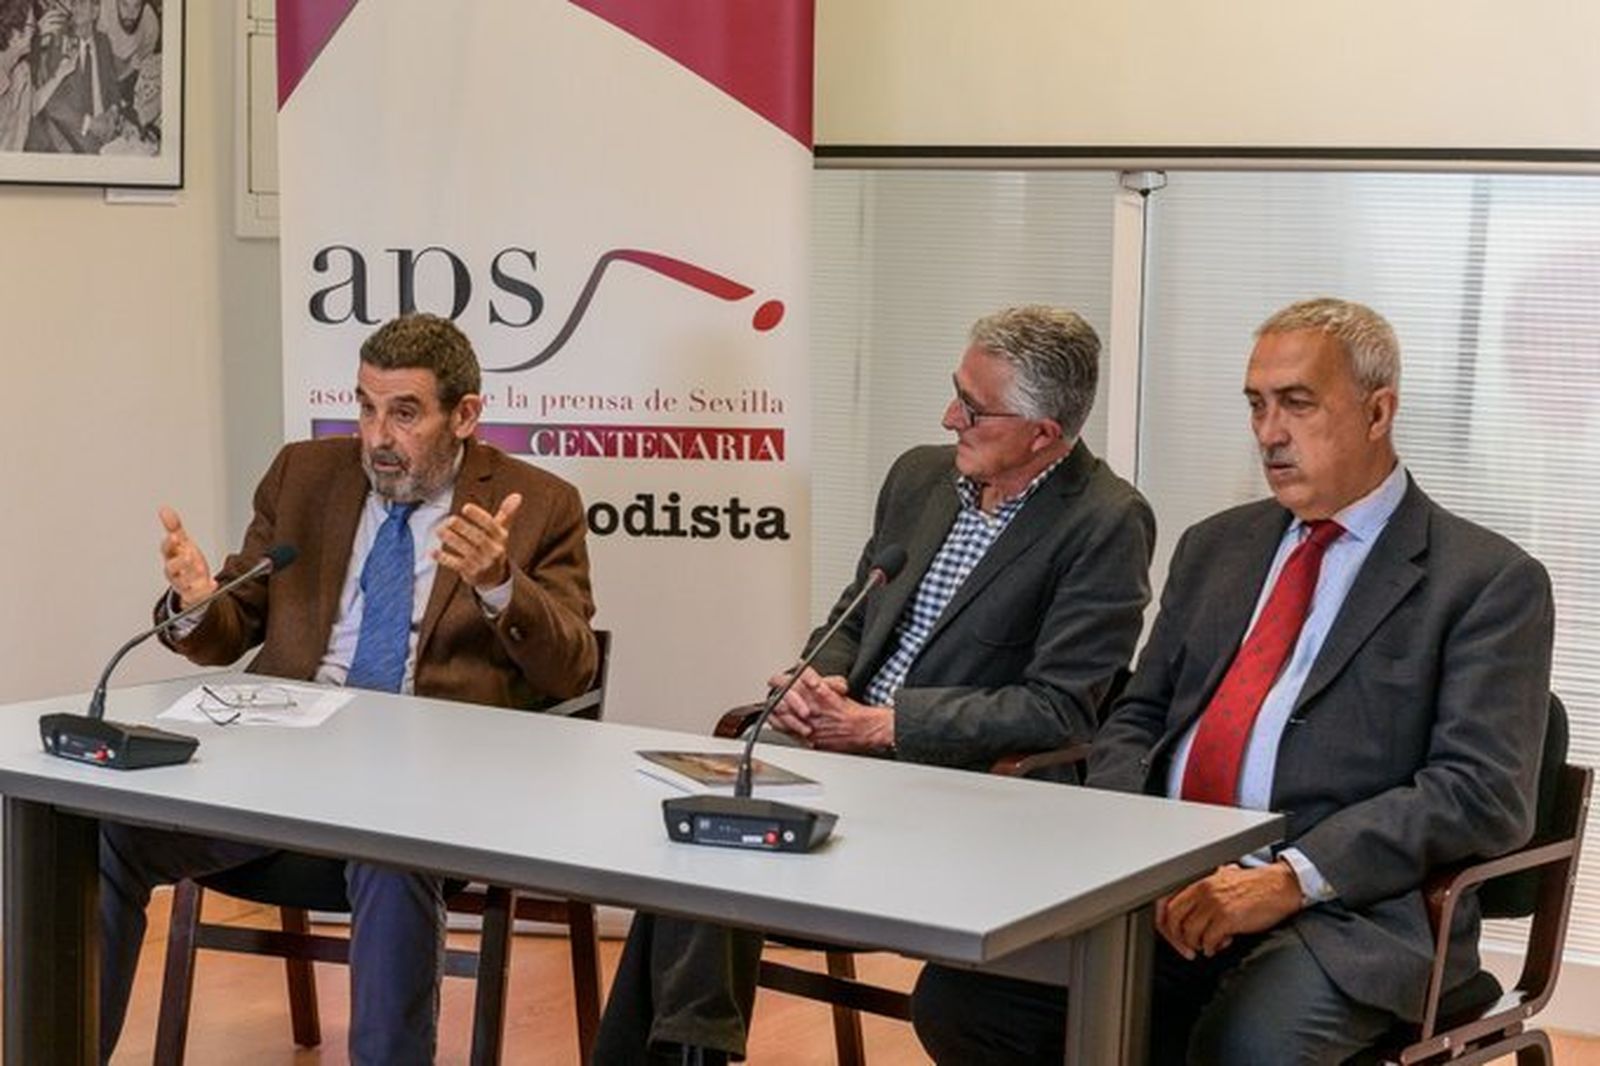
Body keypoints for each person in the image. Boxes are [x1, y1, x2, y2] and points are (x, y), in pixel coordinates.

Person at [911, 298, 1555, 1065]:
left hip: (1344, 913)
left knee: (1244, 1047)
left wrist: (1291, 880)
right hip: (1168, 887)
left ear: (1378, 411)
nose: (1269, 432)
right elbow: (1136, 715)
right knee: (963, 1002)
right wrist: (1133, 851)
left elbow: (1480, 790)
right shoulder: (1217, 547)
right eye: (1256, 404)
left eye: (1297, 403)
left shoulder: (1485, 582)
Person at [594, 305, 1157, 1064]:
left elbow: (1058, 707)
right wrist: (815, 676)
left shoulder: (1105, 521)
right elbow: (857, 618)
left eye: (974, 408)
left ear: (1043, 432)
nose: (949, 415)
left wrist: (885, 725)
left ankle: (679, 1056)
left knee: (715, 850)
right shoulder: (920, 476)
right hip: (841, 758)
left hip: (963, 790)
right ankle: (686, 1054)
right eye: (956, 390)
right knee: (699, 837)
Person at [98, 312, 599, 1066]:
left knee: (388, 848)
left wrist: (500, 584)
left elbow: (573, 670)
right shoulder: (306, 475)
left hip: (432, 780)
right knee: (109, 830)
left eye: (404, 413)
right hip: (281, 763)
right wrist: (197, 601)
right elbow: (236, 621)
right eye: (366, 408)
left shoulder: (537, 504)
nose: (376, 436)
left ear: (464, 416)